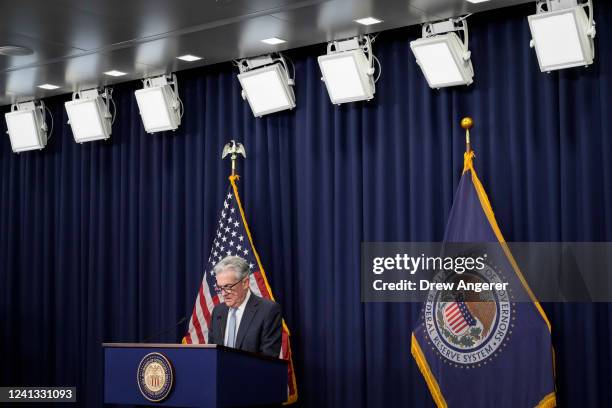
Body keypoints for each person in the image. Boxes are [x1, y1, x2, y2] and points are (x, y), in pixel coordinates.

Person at [208, 255, 282, 358]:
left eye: (228, 287)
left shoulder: (268, 311)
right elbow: (211, 353)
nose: (224, 293)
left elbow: (269, 359)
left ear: (245, 283)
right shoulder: (218, 311)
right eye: (220, 288)